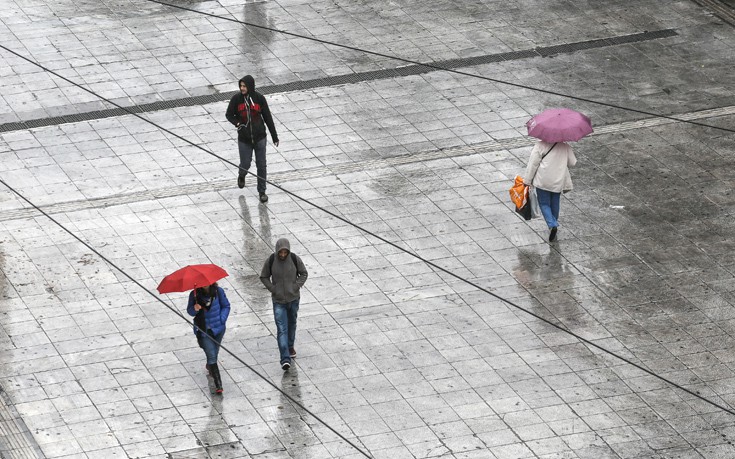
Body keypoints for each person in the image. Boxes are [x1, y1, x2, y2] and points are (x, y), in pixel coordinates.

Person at [225, 75, 279, 202]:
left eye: (244, 86)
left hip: (260, 137)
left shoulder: (259, 99)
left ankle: (262, 191)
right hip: (244, 139)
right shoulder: (236, 99)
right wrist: (238, 123)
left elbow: (268, 118)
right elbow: (229, 114)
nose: (242, 88)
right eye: (241, 86)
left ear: (250, 86)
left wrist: (274, 136)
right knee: (245, 163)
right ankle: (242, 175)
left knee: (261, 165)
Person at [260, 238, 308, 371]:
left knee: (292, 323)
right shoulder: (271, 261)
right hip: (278, 301)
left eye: (284, 252)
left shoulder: (294, 259)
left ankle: (290, 346)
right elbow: (263, 276)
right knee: (282, 329)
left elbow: (303, 273)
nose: (282, 255)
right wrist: (273, 289)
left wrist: (296, 286)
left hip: (293, 299)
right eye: (280, 252)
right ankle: (285, 358)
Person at [524, 140, 577, 242]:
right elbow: (572, 163)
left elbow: (533, 165)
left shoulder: (540, 146)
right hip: (558, 180)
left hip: (542, 180)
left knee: (544, 203)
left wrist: (527, 180)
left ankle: (552, 224)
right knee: (555, 202)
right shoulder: (565, 146)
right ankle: (554, 223)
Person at [187, 283, 231, 393]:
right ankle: (218, 385)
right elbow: (190, 312)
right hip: (204, 330)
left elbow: (226, 306)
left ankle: (210, 366)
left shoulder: (218, 291)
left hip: (218, 328)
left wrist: (222, 319)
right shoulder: (194, 295)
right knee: (212, 355)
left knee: (215, 352)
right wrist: (195, 309)